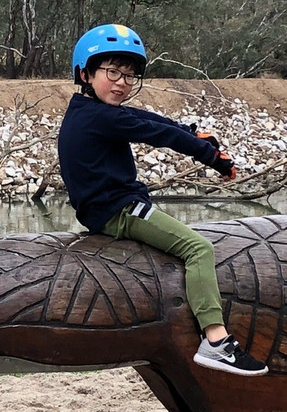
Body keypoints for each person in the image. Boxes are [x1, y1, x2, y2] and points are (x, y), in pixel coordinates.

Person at [57, 23, 268, 376]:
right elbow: (155, 133)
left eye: (129, 75)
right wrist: (210, 156)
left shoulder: (89, 111)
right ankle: (216, 341)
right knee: (198, 248)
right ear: (85, 73)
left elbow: (145, 118)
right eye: (112, 72)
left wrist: (191, 131)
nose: (122, 82)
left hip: (109, 207)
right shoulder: (97, 118)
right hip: (118, 213)